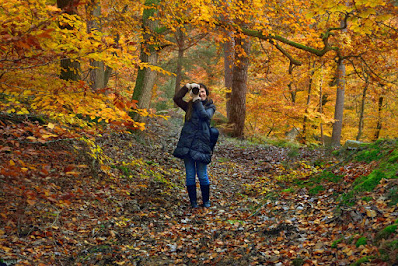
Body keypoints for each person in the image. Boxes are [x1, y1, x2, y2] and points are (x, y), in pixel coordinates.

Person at [173, 83, 216, 208]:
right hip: (187, 144)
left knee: (202, 174)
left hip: (202, 145)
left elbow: (204, 116)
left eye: (203, 92)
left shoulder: (210, 107)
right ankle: (193, 202)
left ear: (206, 94)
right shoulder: (189, 106)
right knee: (190, 175)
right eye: (198, 91)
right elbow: (176, 99)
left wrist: (196, 99)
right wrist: (187, 87)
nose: (200, 94)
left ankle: (206, 202)